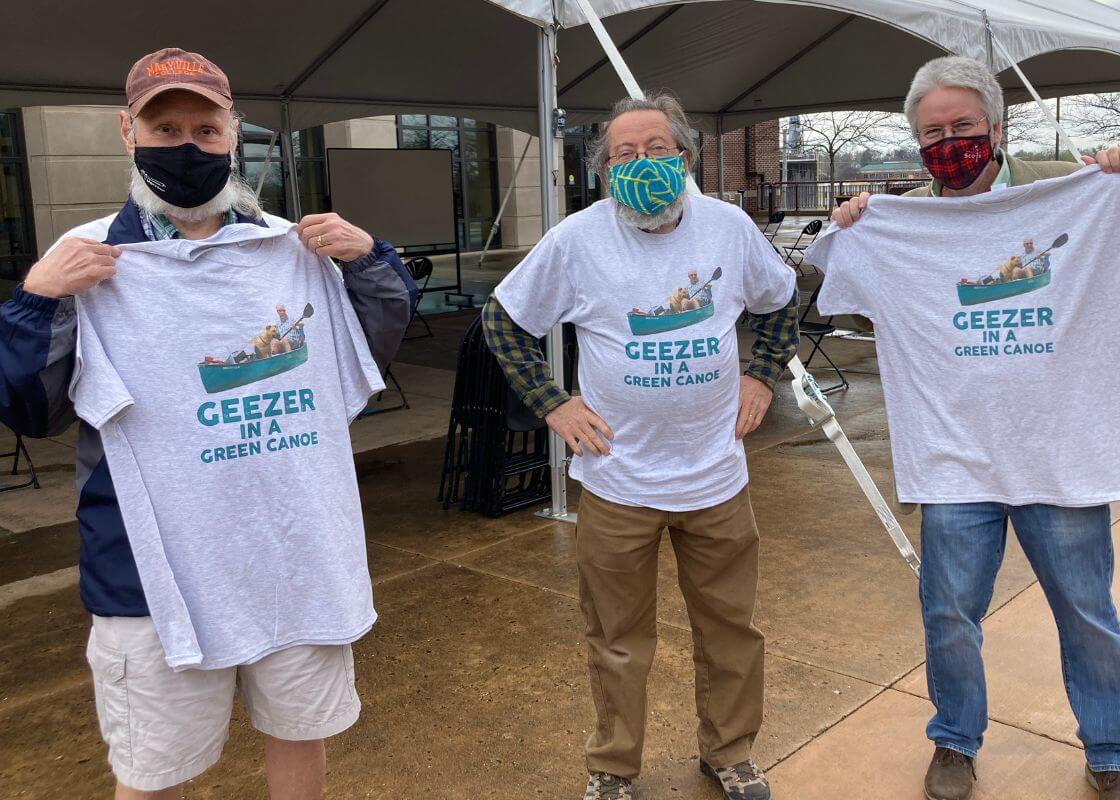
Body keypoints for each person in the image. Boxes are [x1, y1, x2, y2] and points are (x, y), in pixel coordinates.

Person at [0, 48, 417, 800]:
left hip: (294, 553)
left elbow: (366, 356)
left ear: (234, 133)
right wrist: (36, 300)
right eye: (165, 129)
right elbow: (33, 409)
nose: (186, 145)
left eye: (204, 127)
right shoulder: (92, 265)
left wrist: (370, 263)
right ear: (128, 132)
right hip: (152, 578)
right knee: (154, 773)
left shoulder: (296, 252)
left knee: (299, 737)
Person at [830, 56, 1120, 800]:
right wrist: (848, 226)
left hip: (1060, 451)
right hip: (954, 456)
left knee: (1087, 613)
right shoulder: (901, 219)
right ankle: (954, 740)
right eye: (933, 132)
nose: (950, 142)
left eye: (964, 127)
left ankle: (1112, 752)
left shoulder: (1072, 191)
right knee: (948, 613)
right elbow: (840, 297)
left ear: (998, 129)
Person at [482, 92, 800, 800]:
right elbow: (502, 322)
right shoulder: (576, 239)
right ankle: (613, 767)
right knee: (618, 641)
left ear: (685, 157)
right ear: (603, 172)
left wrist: (762, 375)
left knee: (730, 631)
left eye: (656, 148)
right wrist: (554, 402)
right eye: (623, 154)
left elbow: (781, 300)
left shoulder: (729, 227)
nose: (641, 162)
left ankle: (729, 751)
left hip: (716, 477)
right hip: (618, 482)